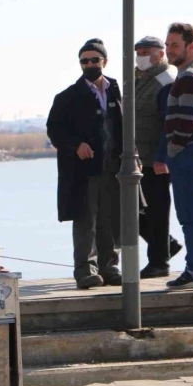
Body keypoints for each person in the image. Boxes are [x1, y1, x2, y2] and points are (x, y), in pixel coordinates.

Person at [47, 38, 123, 290]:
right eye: (84, 61)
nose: (89, 64)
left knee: (110, 219)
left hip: (114, 167)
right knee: (85, 220)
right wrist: (76, 144)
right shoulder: (68, 96)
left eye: (94, 60)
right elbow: (54, 129)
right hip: (84, 171)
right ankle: (85, 270)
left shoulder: (115, 90)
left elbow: (124, 125)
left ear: (105, 61)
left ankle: (109, 266)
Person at [163, 23, 193, 289]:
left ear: (190, 46)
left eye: (175, 45)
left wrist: (173, 152)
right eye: (167, 44)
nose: (168, 50)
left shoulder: (189, 77)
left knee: (192, 216)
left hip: (191, 152)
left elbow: (185, 122)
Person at [134, 35, 183, 278]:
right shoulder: (138, 78)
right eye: (138, 51)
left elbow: (168, 124)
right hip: (136, 159)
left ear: (160, 54)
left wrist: (163, 157)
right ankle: (166, 246)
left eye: (146, 52)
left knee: (157, 210)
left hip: (156, 159)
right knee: (130, 210)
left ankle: (159, 263)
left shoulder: (166, 81)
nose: (140, 56)